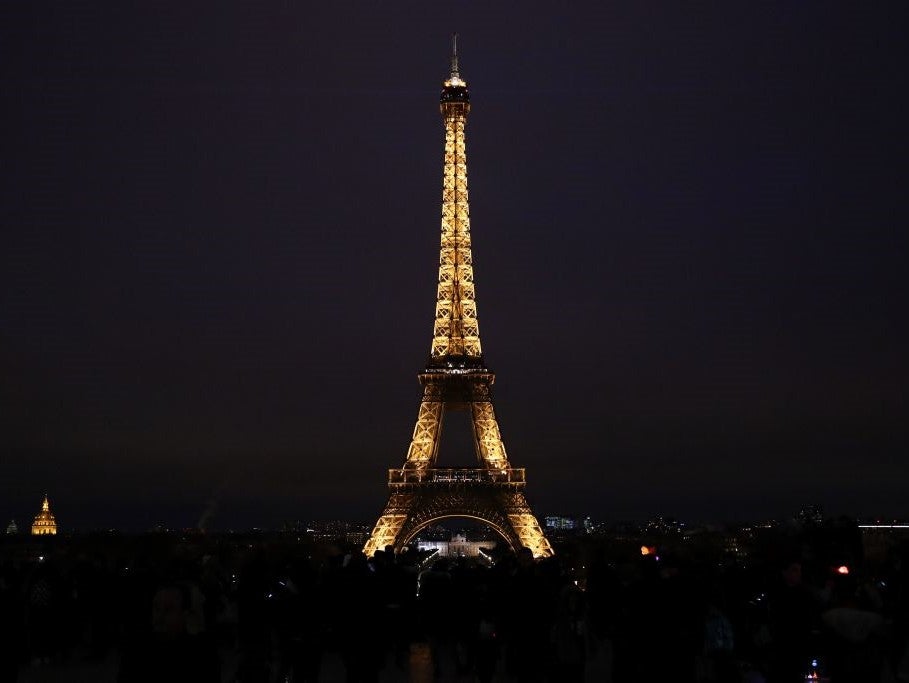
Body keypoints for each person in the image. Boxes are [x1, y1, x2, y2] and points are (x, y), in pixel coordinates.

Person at [118, 582, 219, 683]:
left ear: (184, 614)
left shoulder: (201, 656)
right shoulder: (136, 650)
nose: (160, 616)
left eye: (169, 609)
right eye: (156, 608)